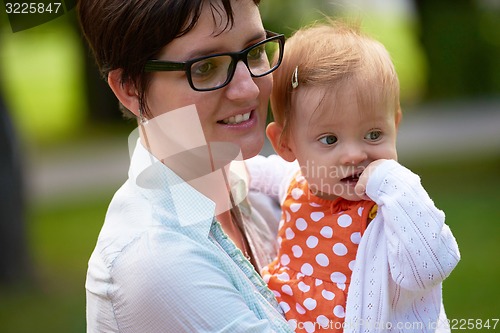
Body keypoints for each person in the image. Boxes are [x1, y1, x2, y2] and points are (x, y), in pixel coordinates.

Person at [77, 0, 294, 331]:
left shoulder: (262, 190)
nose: (248, 88)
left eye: (253, 52)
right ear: (130, 88)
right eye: (205, 67)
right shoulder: (156, 261)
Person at [246, 21, 460, 332]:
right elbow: (255, 172)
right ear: (285, 144)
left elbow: (431, 266)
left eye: (373, 134)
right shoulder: (296, 182)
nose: (355, 155)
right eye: (330, 139)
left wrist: (393, 181)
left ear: (395, 126)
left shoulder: (391, 210)